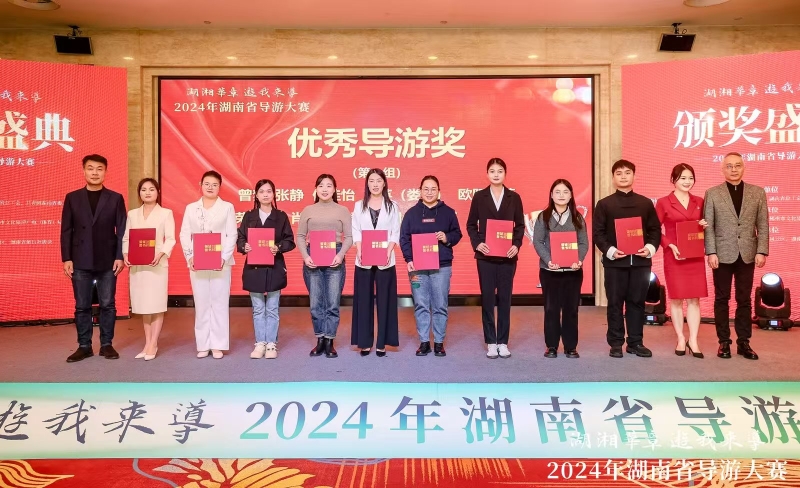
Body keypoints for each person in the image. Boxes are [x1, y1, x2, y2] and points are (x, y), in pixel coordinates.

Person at [61, 154, 127, 362]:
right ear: (84, 171)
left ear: (105, 172)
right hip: (80, 259)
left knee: (108, 304)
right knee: (82, 305)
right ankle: (84, 346)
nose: (95, 173)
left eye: (99, 169)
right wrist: (67, 258)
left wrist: (119, 256)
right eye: (90, 168)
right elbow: (66, 231)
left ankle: (106, 344)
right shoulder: (72, 198)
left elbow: (122, 231)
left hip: (108, 260)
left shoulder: (115, 198)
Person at [593, 159, 661, 358]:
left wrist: (649, 248)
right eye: (619, 173)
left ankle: (635, 342)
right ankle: (615, 343)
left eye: (627, 172)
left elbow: (655, 230)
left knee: (637, 302)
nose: (623, 176)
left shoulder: (645, 203)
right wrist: (611, 251)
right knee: (615, 303)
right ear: (613, 178)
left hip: (640, 262)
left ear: (634, 176)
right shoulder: (604, 204)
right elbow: (598, 233)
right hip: (615, 263)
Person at [704, 152, 768, 360]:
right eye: (729, 166)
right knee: (721, 298)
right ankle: (724, 342)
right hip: (721, 254)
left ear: (744, 168)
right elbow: (709, 226)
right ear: (723, 169)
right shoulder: (712, 193)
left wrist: (761, 250)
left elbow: (763, 225)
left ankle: (744, 342)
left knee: (744, 299)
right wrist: (711, 252)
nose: (734, 169)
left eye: (737, 165)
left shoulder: (757, 193)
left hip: (748, 253)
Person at [466, 158, 525, 359]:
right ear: (487, 174)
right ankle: (491, 342)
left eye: (500, 171)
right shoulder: (479, 197)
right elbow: (471, 224)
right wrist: (477, 243)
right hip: (486, 256)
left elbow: (520, 226)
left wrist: (516, 245)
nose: (496, 174)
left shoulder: (514, 197)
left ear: (505, 174)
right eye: (492, 171)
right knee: (488, 299)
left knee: (505, 299)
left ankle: (503, 342)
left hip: (508, 256)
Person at [400, 175, 462, 357]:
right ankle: (424, 342)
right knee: (421, 304)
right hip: (417, 267)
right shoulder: (411, 214)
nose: (429, 192)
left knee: (440, 305)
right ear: (420, 191)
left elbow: (457, 234)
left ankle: (439, 342)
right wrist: (409, 259)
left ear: (439, 191)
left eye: (433, 189)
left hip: (441, 267)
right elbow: (404, 239)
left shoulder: (448, 213)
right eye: (426, 189)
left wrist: (446, 237)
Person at [179, 170, 237, 359]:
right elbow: (184, 234)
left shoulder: (227, 207)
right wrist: (190, 256)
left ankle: (218, 344)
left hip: (221, 262)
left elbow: (232, 234)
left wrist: (224, 257)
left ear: (220, 187)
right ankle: (203, 344)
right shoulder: (191, 208)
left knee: (219, 302)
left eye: (214, 184)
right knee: (202, 302)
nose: (210, 187)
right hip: (197, 262)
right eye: (207, 184)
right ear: (200, 185)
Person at [237, 179, 296, 359]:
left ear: (274, 194)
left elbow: (290, 240)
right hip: (254, 268)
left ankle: (271, 343)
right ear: (256, 195)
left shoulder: (281, 216)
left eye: (269, 191)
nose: (265, 194)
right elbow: (240, 238)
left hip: (274, 267)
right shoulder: (249, 216)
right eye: (261, 191)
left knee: (271, 308)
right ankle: (259, 343)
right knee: (257, 308)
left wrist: (278, 247)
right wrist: (244, 246)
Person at [296, 174, 353, 358]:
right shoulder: (308, 210)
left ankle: (330, 340)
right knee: (315, 304)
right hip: (312, 258)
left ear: (334, 189)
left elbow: (349, 237)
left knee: (332, 303)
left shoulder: (342, 210)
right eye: (321, 185)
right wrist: (305, 256)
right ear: (316, 189)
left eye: (329, 186)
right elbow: (300, 236)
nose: (325, 189)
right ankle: (319, 338)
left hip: (335, 257)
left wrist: (340, 255)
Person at [655, 164, 708, 358]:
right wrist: (669, 245)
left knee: (694, 299)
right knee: (676, 299)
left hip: (694, 256)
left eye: (690, 178)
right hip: (674, 255)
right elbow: (654, 229)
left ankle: (693, 340)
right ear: (673, 180)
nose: (687, 182)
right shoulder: (663, 202)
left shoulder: (700, 201)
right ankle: (680, 338)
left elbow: (707, 227)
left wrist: (704, 225)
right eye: (683, 178)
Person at [532, 179, 589, 359]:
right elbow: (537, 242)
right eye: (557, 192)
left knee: (571, 309)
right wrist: (548, 260)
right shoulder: (543, 217)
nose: (561, 195)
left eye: (565, 192)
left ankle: (571, 346)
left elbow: (583, 243)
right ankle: (551, 346)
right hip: (550, 272)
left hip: (573, 272)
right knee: (551, 309)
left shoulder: (577, 217)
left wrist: (578, 259)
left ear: (571, 195)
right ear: (551, 195)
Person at [122, 178, 176, 361]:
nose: (147, 192)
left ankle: (154, 343)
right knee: (144, 305)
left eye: (151, 189)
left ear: (158, 192)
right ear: (139, 193)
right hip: (139, 265)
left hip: (157, 265)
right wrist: (126, 254)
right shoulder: (132, 214)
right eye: (143, 189)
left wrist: (161, 254)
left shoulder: (166, 213)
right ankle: (147, 343)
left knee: (157, 304)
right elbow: (126, 238)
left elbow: (170, 238)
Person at [351, 169, 400, 357]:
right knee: (363, 301)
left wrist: (388, 250)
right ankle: (364, 342)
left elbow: (395, 231)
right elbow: (356, 230)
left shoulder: (392, 206)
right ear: (367, 184)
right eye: (371, 181)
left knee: (385, 301)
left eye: (379, 180)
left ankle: (382, 343)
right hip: (363, 259)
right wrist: (360, 249)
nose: (375, 184)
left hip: (385, 260)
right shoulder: (358, 206)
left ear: (384, 183)